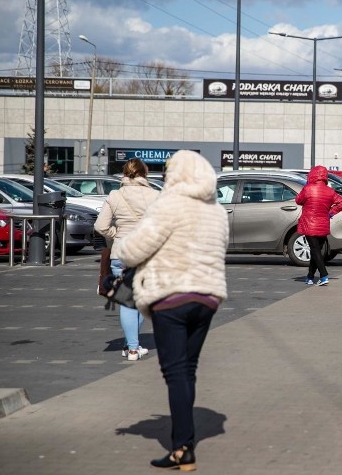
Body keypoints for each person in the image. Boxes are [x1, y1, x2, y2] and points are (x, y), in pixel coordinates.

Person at [112, 150, 229, 471]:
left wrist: (119, 249)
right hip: (207, 299)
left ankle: (182, 448)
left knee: (175, 373)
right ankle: (184, 441)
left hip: (171, 298)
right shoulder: (216, 211)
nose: (165, 175)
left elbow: (136, 249)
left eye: (168, 170)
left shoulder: (169, 203)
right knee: (187, 370)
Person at [93, 158, 160, 361]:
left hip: (120, 253)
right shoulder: (156, 195)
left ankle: (130, 346)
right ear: (144, 174)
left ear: (125, 173)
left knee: (126, 301)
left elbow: (100, 226)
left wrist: (118, 234)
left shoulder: (115, 195)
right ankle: (133, 348)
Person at [294, 165, 342, 286]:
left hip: (309, 223)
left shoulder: (308, 189)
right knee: (316, 251)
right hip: (323, 224)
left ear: (312, 175)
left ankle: (323, 275)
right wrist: (331, 212)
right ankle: (310, 276)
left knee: (315, 250)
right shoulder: (330, 191)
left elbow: (298, 200)